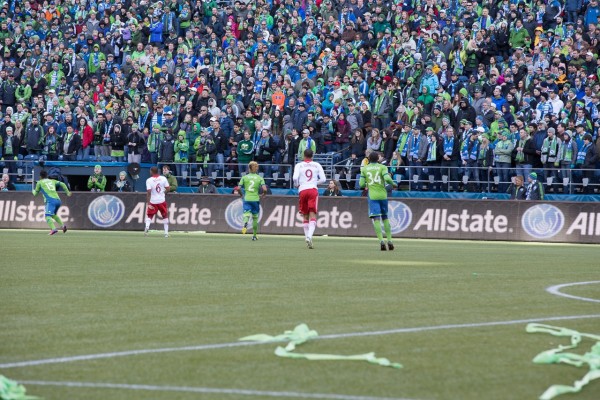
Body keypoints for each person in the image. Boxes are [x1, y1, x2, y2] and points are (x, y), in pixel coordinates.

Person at [359, 151, 398, 251]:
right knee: (385, 217)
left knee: (376, 219)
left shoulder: (365, 169)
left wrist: (368, 185)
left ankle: (381, 241)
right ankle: (389, 240)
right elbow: (387, 178)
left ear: (369, 159)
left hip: (373, 196)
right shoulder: (382, 167)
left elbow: (361, 184)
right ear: (378, 159)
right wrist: (394, 184)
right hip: (383, 195)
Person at [293, 149, 326, 249]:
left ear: (304, 155)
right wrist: (315, 183)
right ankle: (309, 236)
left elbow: (295, 178)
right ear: (312, 156)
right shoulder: (317, 165)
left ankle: (307, 237)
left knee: (305, 215)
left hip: (302, 190)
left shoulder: (299, 165)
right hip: (312, 190)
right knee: (313, 214)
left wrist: (297, 185)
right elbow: (324, 179)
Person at [32, 169, 72, 235]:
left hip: (51, 201)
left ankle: (54, 229)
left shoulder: (39, 183)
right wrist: (67, 192)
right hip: (58, 201)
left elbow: (35, 194)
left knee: (47, 216)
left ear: (40, 176)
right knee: (53, 215)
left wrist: (33, 190)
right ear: (47, 176)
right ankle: (63, 226)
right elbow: (62, 184)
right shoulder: (52, 181)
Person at [238, 161, 267, 241]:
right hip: (255, 199)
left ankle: (245, 223)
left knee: (246, 214)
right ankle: (254, 236)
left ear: (249, 168)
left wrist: (241, 195)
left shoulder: (244, 177)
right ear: (256, 168)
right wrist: (264, 194)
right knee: (255, 218)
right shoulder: (260, 178)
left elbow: (238, 188)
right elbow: (265, 189)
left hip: (247, 198)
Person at [145, 166, 170, 238]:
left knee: (150, 215)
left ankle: (147, 227)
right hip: (161, 200)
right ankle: (166, 233)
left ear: (151, 171)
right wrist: (163, 193)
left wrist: (148, 203)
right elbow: (168, 188)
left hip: (153, 201)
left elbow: (149, 192)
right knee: (165, 215)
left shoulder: (149, 180)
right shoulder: (163, 178)